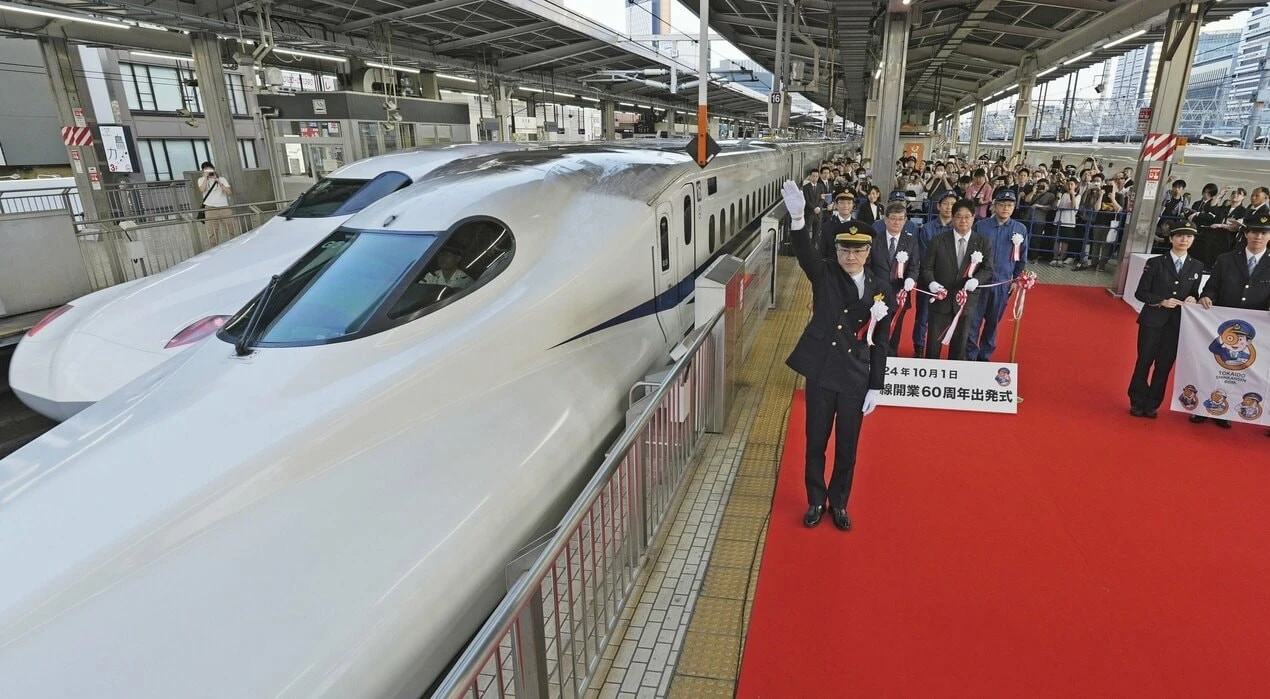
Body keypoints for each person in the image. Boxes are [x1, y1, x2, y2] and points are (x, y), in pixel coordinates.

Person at [780, 181, 893, 532]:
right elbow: (805, 253)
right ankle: (816, 499)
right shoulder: (825, 274)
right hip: (823, 372)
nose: (850, 256)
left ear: (869, 252)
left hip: (855, 377)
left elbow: (883, 341)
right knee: (815, 442)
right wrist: (798, 219)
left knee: (847, 447)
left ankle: (839, 503)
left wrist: (877, 384)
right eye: (844, 249)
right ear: (837, 250)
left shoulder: (880, 287)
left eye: (858, 251)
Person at [1195, 213, 1270, 432]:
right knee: (1214, 366)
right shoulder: (1226, 259)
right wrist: (1205, 296)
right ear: (1245, 233)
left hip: (1254, 330)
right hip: (1222, 323)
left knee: (1239, 370)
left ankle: (1226, 411)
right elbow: (1212, 287)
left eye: (1264, 233)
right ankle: (1200, 408)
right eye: (1254, 231)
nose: (1258, 236)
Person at [1127, 223, 1203, 418]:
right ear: (1171, 239)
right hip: (1152, 321)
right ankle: (1137, 400)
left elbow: (1193, 292)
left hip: (1177, 324)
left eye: (1189, 236)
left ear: (1193, 240)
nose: (1184, 240)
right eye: (1179, 236)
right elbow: (1141, 292)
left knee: (1164, 365)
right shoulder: (1156, 262)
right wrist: (1161, 301)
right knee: (1144, 361)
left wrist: (1193, 298)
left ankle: (1153, 402)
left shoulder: (1197, 266)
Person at [918, 199, 994, 360]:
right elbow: (926, 267)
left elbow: (988, 269)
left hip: (966, 301)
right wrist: (931, 282)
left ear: (974, 218)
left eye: (967, 216)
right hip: (941, 299)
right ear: (952, 218)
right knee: (933, 344)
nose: (963, 220)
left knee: (960, 344)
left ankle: (954, 378)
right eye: (959, 216)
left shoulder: (982, 242)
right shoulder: (938, 240)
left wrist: (977, 280)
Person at [966, 190, 1028, 361]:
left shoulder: (1020, 229)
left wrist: (1016, 279)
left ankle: (984, 356)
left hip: (1002, 284)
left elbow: (1022, 258)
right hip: (980, 284)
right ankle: (969, 355)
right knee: (973, 322)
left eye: (1009, 205)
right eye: (1001, 204)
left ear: (1014, 208)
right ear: (994, 206)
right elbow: (971, 253)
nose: (1005, 208)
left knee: (992, 323)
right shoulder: (981, 226)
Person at [870, 201, 921, 356]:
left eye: (900, 218)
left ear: (905, 220)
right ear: (885, 219)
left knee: (896, 329)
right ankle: (873, 356)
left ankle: (891, 357)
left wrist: (911, 278)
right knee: (876, 328)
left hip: (900, 293)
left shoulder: (911, 240)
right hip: (877, 293)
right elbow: (867, 266)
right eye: (893, 218)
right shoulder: (874, 240)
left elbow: (914, 265)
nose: (896, 222)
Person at [913, 192, 956, 356]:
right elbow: (924, 259)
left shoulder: (958, 229)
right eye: (945, 203)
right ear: (938, 206)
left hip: (951, 283)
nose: (949, 207)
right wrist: (932, 280)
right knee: (923, 316)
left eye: (952, 204)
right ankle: (919, 346)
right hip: (928, 281)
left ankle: (938, 349)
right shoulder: (927, 229)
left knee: (947, 317)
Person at [197, 161, 233, 248]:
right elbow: (202, 190)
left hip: (224, 207)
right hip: (210, 208)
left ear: (213, 169)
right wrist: (206, 178)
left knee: (231, 229)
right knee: (212, 232)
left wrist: (218, 181)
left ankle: (234, 246)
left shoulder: (222, 179)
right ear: (203, 171)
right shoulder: (201, 180)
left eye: (209, 169)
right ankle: (213, 250)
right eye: (205, 169)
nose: (208, 171)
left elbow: (229, 192)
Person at [819, 191, 858, 258]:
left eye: (849, 203)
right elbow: (822, 253)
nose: (845, 206)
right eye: (841, 202)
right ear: (836, 205)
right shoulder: (826, 227)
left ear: (853, 205)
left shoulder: (858, 226)